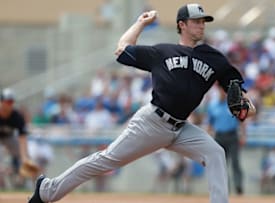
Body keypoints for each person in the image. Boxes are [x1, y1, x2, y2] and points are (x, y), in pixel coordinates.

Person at [28, 3, 256, 203]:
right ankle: (47, 190)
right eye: (196, 21)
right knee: (106, 161)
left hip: (181, 128)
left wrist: (248, 105)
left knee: (215, 153)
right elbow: (122, 49)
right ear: (182, 25)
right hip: (152, 123)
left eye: (203, 21)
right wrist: (140, 23)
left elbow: (234, 86)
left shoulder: (214, 58)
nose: (201, 25)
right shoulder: (162, 52)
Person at [207, 84, 246, 195]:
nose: (222, 93)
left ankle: (239, 187)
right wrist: (208, 138)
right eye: (221, 90)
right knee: (221, 165)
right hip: (219, 136)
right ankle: (224, 188)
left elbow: (242, 121)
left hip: (232, 136)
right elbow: (210, 125)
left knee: (235, 162)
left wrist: (243, 135)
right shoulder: (212, 105)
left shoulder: (233, 105)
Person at [0, 88, 32, 187]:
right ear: (1, 102)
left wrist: (24, 158)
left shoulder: (16, 116)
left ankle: (20, 183)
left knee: (27, 158)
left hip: (8, 138)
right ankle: (2, 185)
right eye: (8, 101)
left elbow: (22, 139)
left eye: (12, 101)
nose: (10, 104)